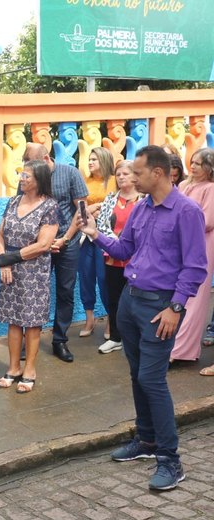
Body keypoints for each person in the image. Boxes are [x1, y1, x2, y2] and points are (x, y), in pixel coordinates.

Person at [80, 145, 207, 491]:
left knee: (152, 380)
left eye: (137, 172)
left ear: (159, 173)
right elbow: (124, 250)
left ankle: (171, 459)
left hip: (160, 309)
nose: (132, 178)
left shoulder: (187, 211)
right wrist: (95, 234)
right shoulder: (142, 208)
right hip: (130, 303)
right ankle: (147, 440)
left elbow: (195, 267)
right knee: (137, 375)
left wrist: (176, 307)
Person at [0, 161, 59, 394]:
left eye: (27, 176)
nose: (21, 178)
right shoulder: (12, 202)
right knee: (13, 320)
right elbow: (0, 234)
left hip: (34, 272)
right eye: (21, 174)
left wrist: (10, 258)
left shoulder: (49, 206)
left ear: (39, 180)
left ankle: (29, 369)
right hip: (10, 269)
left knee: (32, 323)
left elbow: (43, 245)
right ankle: (13, 368)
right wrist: (3, 260)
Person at [22, 143, 89, 362]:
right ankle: (28, 341)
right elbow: (23, 208)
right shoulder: (29, 177)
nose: (28, 172)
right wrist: (40, 241)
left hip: (67, 242)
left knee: (65, 291)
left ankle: (59, 340)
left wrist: (65, 238)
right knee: (33, 292)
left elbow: (81, 211)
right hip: (39, 245)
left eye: (32, 165)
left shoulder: (70, 173)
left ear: (46, 158)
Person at [170, 148, 214, 364]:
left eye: (198, 163)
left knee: (194, 298)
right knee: (176, 294)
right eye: (192, 162)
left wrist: (179, 224)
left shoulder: (211, 188)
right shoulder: (185, 185)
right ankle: (170, 345)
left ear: (209, 167)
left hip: (202, 245)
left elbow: (207, 221)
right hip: (180, 244)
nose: (193, 166)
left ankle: (181, 351)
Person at [94, 160, 141, 354]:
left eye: (125, 173)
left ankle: (137, 337)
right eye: (118, 174)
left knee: (136, 300)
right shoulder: (111, 199)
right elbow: (102, 225)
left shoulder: (144, 199)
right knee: (113, 298)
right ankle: (115, 337)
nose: (121, 177)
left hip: (137, 259)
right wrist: (116, 243)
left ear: (135, 176)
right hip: (113, 256)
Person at [79, 147, 115, 338]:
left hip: (106, 237)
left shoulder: (114, 181)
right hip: (86, 237)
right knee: (86, 276)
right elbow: (81, 208)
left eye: (94, 159)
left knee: (104, 278)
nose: (90, 162)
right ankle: (89, 319)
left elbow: (115, 206)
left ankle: (111, 320)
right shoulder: (86, 181)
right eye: (89, 159)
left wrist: (97, 208)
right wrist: (96, 207)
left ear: (104, 160)